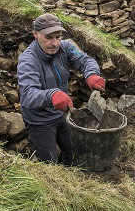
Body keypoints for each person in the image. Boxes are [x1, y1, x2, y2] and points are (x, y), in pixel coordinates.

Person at [17, 13, 106, 165]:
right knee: (48, 164)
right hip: (40, 121)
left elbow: (85, 60)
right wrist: (52, 95)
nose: (55, 43)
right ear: (36, 34)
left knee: (73, 155)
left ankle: (72, 175)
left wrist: (91, 75)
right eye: (49, 37)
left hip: (63, 114)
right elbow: (28, 95)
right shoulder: (28, 61)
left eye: (58, 37)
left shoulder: (65, 48)